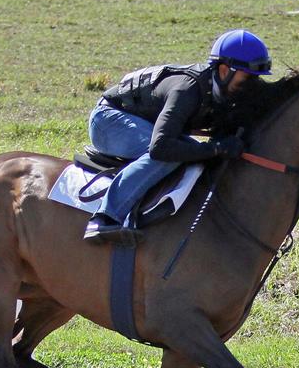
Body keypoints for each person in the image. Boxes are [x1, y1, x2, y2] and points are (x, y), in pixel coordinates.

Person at [83, 29, 273, 244]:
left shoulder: (223, 91)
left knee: (195, 155)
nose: (251, 85)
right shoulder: (187, 89)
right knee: (171, 156)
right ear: (223, 70)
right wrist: (216, 148)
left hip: (143, 123)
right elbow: (161, 147)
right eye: (247, 77)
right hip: (108, 121)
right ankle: (103, 219)